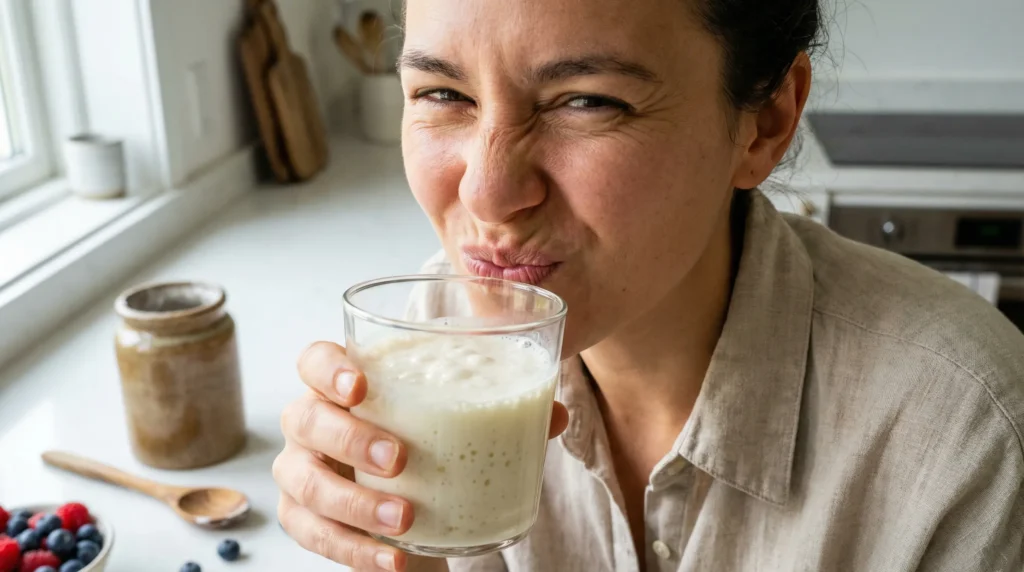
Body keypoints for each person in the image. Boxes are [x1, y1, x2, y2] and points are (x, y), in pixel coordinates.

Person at [272, 0, 1024, 569]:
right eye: (443, 94)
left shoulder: (971, 438)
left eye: (586, 101)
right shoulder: (436, 342)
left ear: (763, 123)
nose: (488, 194)